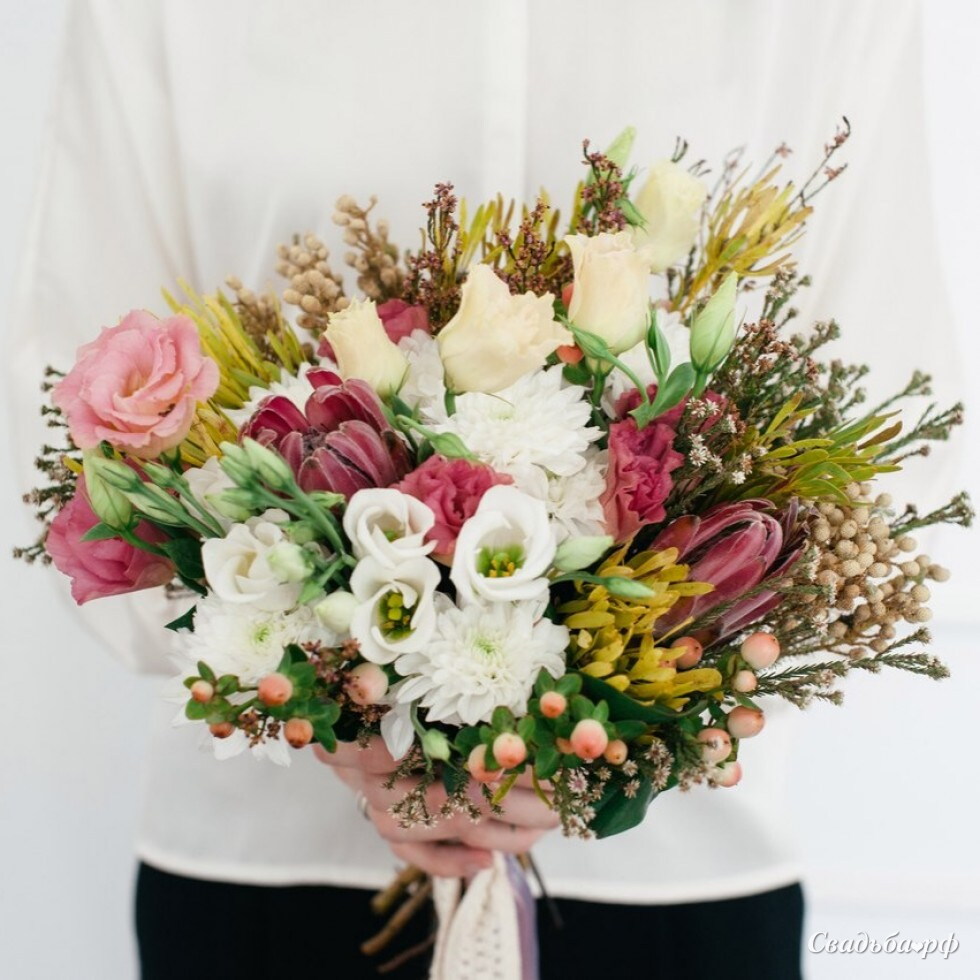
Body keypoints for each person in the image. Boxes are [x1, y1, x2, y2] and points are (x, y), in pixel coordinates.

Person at [9, 1, 956, 977]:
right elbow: (70, 405)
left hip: (673, 882)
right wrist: (318, 694)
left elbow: (891, 434)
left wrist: (637, 726)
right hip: (264, 865)